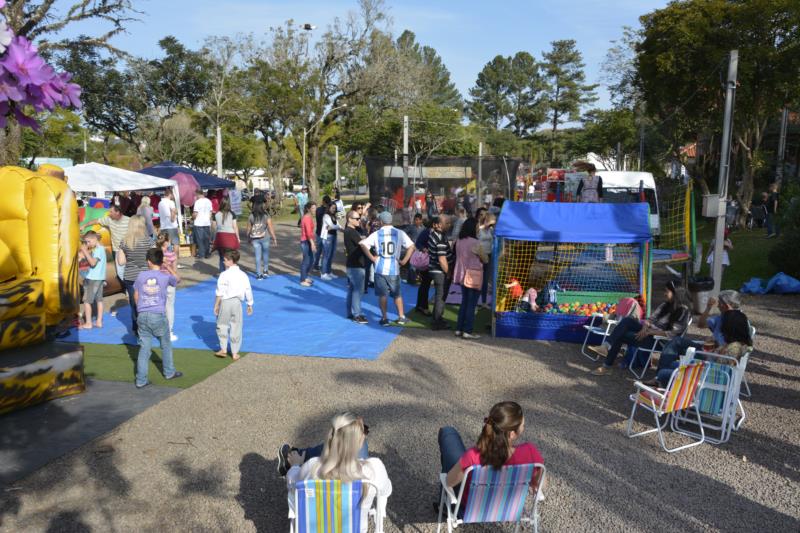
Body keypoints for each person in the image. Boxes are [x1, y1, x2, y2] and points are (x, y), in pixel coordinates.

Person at [281, 413, 392, 533]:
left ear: (330, 438)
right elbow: (386, 491)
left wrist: (295, 466)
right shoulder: (374, 470)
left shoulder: (312, 467)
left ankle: (300, 455)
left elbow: (292, 483)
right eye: (364, 431)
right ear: (359, 441)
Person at [438, 401, 543, 510]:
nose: (523, 428)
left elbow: (449, 482)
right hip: (506, 510)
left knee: (448, 433)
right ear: (512, 434)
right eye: (523, 426)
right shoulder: (530, 453)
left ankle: (444, 507)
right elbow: (539, 484)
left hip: (469, 510)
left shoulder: (473, 456)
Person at [648, 290, 752, 387]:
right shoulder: (726, 318)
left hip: (709, 358)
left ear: (726, 305)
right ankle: (660, 377)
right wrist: (708, 308)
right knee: (676, 342)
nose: (718, 305)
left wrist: (715, 345)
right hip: (710, 352)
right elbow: (701, 324)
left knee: (670, 367)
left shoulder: (735, 321)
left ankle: (661, 378)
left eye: (720, 303)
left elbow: (719, 358)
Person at [589, 281, 691, 376]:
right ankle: (606, 346)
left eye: (667, 291)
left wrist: (650, 332)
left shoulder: (683, 311)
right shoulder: (665, 305)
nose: (664, 294)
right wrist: (645, 327)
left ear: (676, 293)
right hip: (647, 332)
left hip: (659, 341)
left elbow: (672, 333)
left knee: (621, 335)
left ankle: (606, 366)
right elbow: (650, 319)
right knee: (628, 320)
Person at [133, 248, 182, 389]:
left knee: (144, 349)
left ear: (148, 261)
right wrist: (168, 267)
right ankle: (169, 372)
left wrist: (140, 310)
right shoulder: (164, 277)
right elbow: (178, 279)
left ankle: (141, 380)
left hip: (142, 314)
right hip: (158, 314)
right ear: (161, 261)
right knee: (165, 344)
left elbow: (136, 295)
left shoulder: (141, 276)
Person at [360, 211, 415, 326]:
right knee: (397, 294)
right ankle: (401, 316)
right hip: (394, 269)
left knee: (382, 295)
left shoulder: (377, 233)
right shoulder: (399, 233)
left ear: (381, 221)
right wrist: (404, 260)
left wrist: (372, 258)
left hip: (380, 268)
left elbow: (363, 244)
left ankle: (384, 318)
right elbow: (411, 246)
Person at [117, 215, 154, 337]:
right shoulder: (149, 241)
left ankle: (137, 328)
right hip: (146, 276)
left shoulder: (124, 241)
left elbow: (121, 262)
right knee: (148, 302)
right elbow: (154, 259)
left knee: (134, 304)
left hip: (131, 276)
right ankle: (148, 327)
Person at [214, 249, 253, 361]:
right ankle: (235, 352)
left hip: (226, 302)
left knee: (222, 324)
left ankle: (223, 349)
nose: (223, 262)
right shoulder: (243, 275)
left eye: (225, 260)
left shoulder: (224, 274)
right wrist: (249, 304)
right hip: (237, 303)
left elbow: (219, 292)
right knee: (236, 325)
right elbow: (248, 290)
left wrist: (216, 305)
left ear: (231, 261)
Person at [453, 218, 488, 339]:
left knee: (464, 302)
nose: (478, 228)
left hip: (462, 274)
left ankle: (459, 328)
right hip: (474, 276)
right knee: (471, 304)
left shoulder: (458, 241)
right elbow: (485, 259)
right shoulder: (476, 243)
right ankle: (467, 330)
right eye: (477, 226)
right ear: (473, 228)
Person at [427, 215, 454, 330]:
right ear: (438, 225)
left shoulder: (434, 235)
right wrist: (448, 272)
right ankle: (437, 321)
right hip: (439, 271)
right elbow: (442, 259)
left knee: (440, 296)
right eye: (446, 223)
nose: (449, 225)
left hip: (435, 269)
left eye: (449, 223)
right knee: (441, 297)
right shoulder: (440, 238)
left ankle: (437, 318)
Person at [344, 210, 368, 324]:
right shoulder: (351, 232)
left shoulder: (350, 231)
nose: (359, 220)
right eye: (357, 219)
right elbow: (363, 244)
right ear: (350, 219)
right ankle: (357, 315)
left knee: (352, 290)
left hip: (352, 264)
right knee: (358, 291)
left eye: (359, 218)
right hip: (356, 265)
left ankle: (350, 312)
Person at [78, 231, 106, 329]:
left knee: (86, 301)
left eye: (88, 242)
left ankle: (88, 323)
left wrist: (84, 251)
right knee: (99, 300)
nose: (87, 244)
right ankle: (99, 321)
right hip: (99, 278)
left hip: (93, 279)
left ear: (95, 239)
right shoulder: (100, 249)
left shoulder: (98, 249)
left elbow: (93, 263)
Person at [156, 231, 180, 342]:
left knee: (158, 307)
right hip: (169, 282)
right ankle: (169, 331)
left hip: (157, 282)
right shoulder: (172, 255)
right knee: (169, 307)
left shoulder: (154, 254)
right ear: (168, 241)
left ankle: (159, 330)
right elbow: (174, 271)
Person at [246, 200, 278, 279]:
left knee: (257, 256)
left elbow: (248, 229)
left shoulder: (251, 215)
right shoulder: (266, 215)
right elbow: (270, 228)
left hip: (255, 238)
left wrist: (248, 238)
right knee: (265, 254)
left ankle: (258, 274)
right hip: (265, 237)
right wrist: (274, 238)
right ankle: (265, 270)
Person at [212, 198, 240, 273]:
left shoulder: (216, 214)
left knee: (222, 257)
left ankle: (222, 273)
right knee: (231, 257)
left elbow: (214, 228)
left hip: (220, 237)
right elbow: (235, 227)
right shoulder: (232, 214)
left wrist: (214, 238)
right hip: (230, 237)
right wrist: (238, 238)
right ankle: (230, 273)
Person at [320, 202, 343, 280]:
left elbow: (337, 225)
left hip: (334, 236)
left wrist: (342, 229)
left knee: (331, 255)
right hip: (327, 237)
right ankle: (323, 273)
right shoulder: (326, 216)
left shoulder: (334, 216)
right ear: (329, 208)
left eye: (335, 208)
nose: (334, 209)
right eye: (332, 208)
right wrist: (336, 227)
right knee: (326, 255)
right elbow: (332, 226)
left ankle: (329, 272)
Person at [477, 212, 496, 309]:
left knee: (485, 280)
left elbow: (494, 238)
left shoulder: (491, 230)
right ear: (486, 221)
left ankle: (484, 301)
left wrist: (491, 227)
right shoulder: (479, 229)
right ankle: (476, 300)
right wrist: (484, 225)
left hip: (488, 255)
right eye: (491, 222)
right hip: (479, 256)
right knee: (478, 279)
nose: (492, 225)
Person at [299, 202, 317, 287]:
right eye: (313, 208)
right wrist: (312, 243)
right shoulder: (306, 218)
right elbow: (308, 232)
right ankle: (302, 280)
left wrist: (312, 242)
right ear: (309, 209)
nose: (315, 210)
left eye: (315, 208)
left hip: (309, 241)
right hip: (306, 241)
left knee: (311, 260)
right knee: (306, 261)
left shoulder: (309, 217)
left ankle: (305, 276)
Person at [192, 188, 213, 259]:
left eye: (196, 195)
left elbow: (195, 213)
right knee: (206, 239)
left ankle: (201, 254)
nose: (195, 196)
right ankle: (207, 253)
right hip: (206, 223)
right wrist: (208, 219)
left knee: (200, 239)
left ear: (198, 194)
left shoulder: (197, 202)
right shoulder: (209, 201)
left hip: (199, 223)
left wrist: (193, 217)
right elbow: (210, 212)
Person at [404, 213, 424, 285]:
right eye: (415, 220)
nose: (416, 221)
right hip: (412, 248)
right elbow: (403, 232)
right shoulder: (411, 227)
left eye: (418, 220)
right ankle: (411, 280)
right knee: (412, 265)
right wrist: (408, 241)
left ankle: (418, 278)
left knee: (419, 265)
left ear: (421, 220)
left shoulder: (424, 229)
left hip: (421, 249)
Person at [313, 196, 332, 271]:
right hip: (326, 233)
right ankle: (324, 266)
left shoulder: (318, 209)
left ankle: (316, 264)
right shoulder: (328, 211)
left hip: (319, 232)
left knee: (319, 250)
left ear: (323, 201)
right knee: (325, 251)